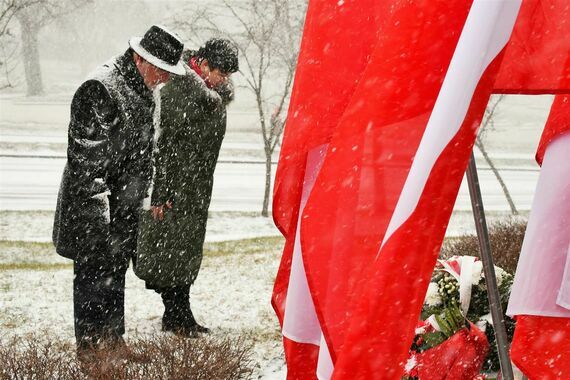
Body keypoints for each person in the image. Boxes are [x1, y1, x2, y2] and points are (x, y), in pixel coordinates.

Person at [52, 25, 185, 353]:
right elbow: (86, 163)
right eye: (163, 71)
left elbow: (143, 150)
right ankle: (91, 348)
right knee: (92, 279)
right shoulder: (101, 87)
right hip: (93, 209)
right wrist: (101, 221)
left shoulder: (141, 86)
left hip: (123, 206)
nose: (165, 80)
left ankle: (114, 339)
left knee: (114, 276)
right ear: (142, 60)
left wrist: (140, 198)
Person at [135, 38, 239, 336]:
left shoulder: (209, 93)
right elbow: (163, 144)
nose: (225, 80)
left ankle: (180, 313)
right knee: (170, 251)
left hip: (195, 186)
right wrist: (162, 192)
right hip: (175, 187)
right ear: (204, 64)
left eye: (228, 76)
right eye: (222, 73)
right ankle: (177, 314)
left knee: (185, 249)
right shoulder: (179, 90)